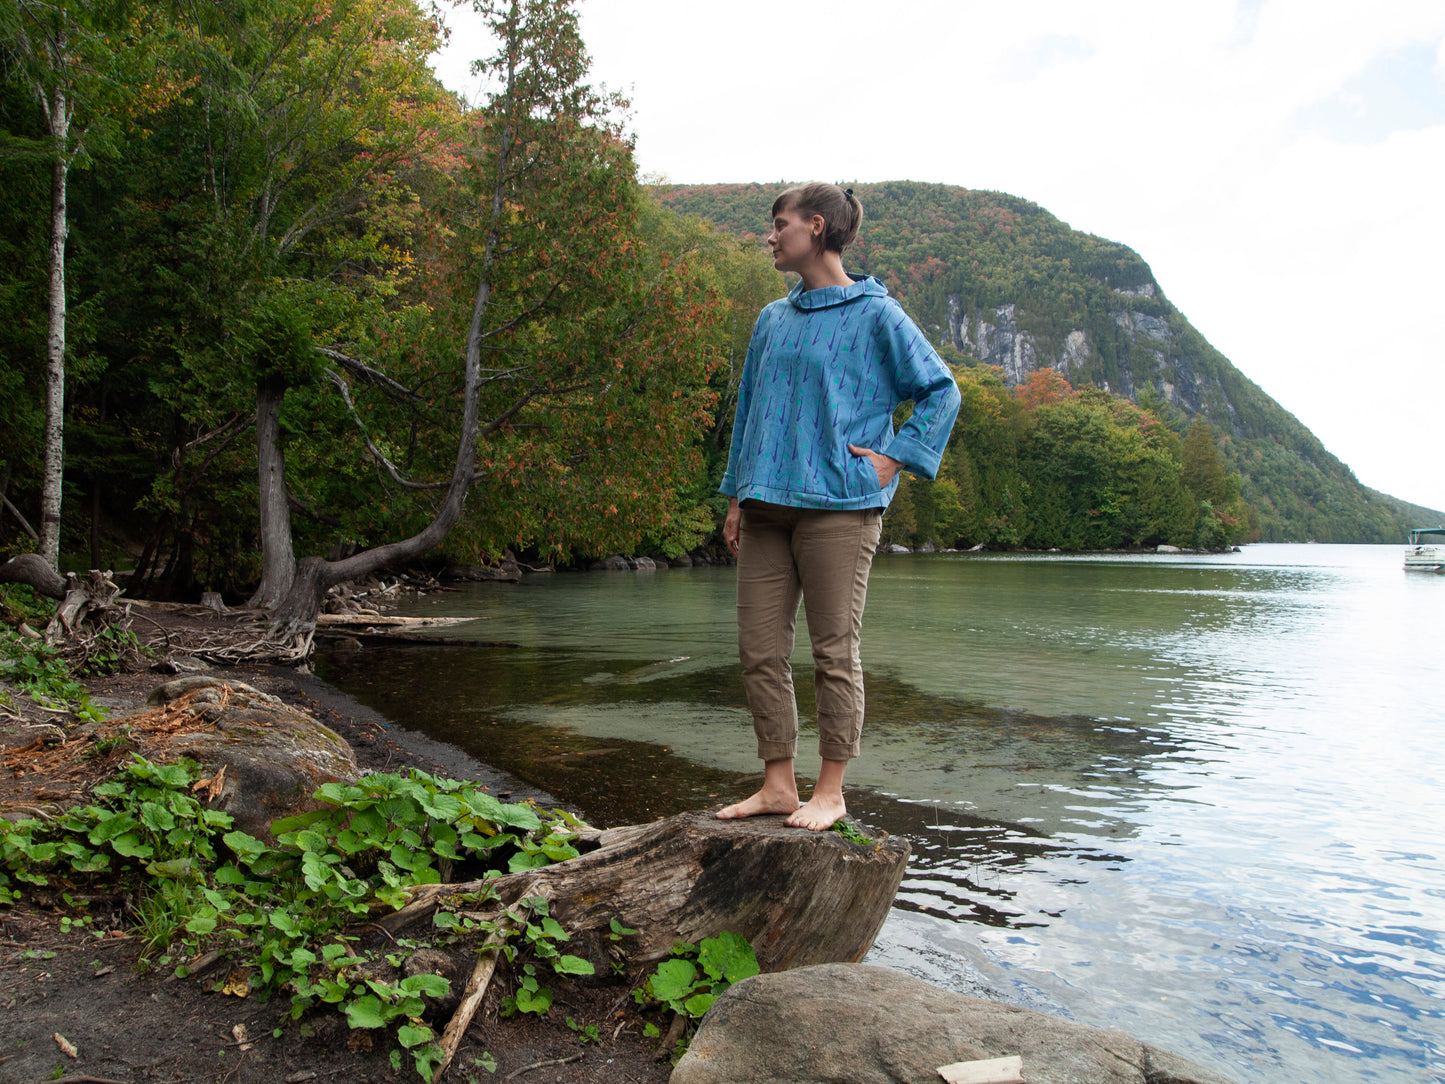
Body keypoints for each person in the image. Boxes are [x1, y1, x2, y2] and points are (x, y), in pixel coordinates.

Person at [715, 182, 961, 831]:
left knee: (833, 651)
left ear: (816, 227)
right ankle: (776, 785)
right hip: (766, 502)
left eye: (779, 223)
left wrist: (895, 457)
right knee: (759, 649)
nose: (770, 236)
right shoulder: (772, 318)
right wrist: (737, 494)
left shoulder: (878, 314)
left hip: (841, 506)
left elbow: (940, 390)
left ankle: (829, 791)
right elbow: (749, 409)